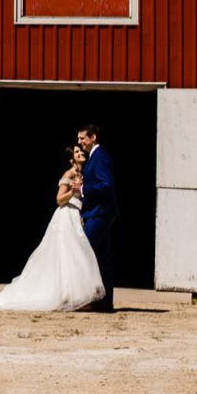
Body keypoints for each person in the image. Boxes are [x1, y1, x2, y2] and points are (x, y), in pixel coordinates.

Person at [0, 143, 106, 312]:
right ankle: (68, 296)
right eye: (77, 152)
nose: (81, 153)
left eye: (81, 151)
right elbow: (59, 199)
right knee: (68, 254)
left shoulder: (83, 174)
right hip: (66, 216)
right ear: (72, 159)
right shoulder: (70, 174)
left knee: (77, 255)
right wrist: (73, 191)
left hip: (76, 216)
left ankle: (77, 296)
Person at [75, 123, 117, 312]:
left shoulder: (100, 157)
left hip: (99, 214)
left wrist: (83, 189)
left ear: (93, 138)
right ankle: (105, 301)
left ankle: (87, 299)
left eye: (82, 138)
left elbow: (106, 185)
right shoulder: (94, 157)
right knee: (102, 258)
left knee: (83, 253)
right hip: (100, 213)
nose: (80, 142)